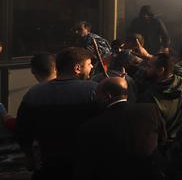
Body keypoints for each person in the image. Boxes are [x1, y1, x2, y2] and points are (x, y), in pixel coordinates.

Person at [16, 47, 97, 180]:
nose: (92, 67)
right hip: (83, 165)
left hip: (48, 165)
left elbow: (23, 130)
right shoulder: (94, 90)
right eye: (89, 64)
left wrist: (29, 156)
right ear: (77, 68)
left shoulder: (33, 93)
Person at [75, 77, 167, 180]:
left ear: (107, 96)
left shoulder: (91, 127)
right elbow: (162, 139)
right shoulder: (151, 110)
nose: (96, 98)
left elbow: (87, 166)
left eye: (97, 94)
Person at [137, 53, 182, 140]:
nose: (145, 69)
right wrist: (148, 56)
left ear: (160, 71)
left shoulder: (150, 98)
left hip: (162, 144)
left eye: (149, 66)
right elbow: (175, 68)